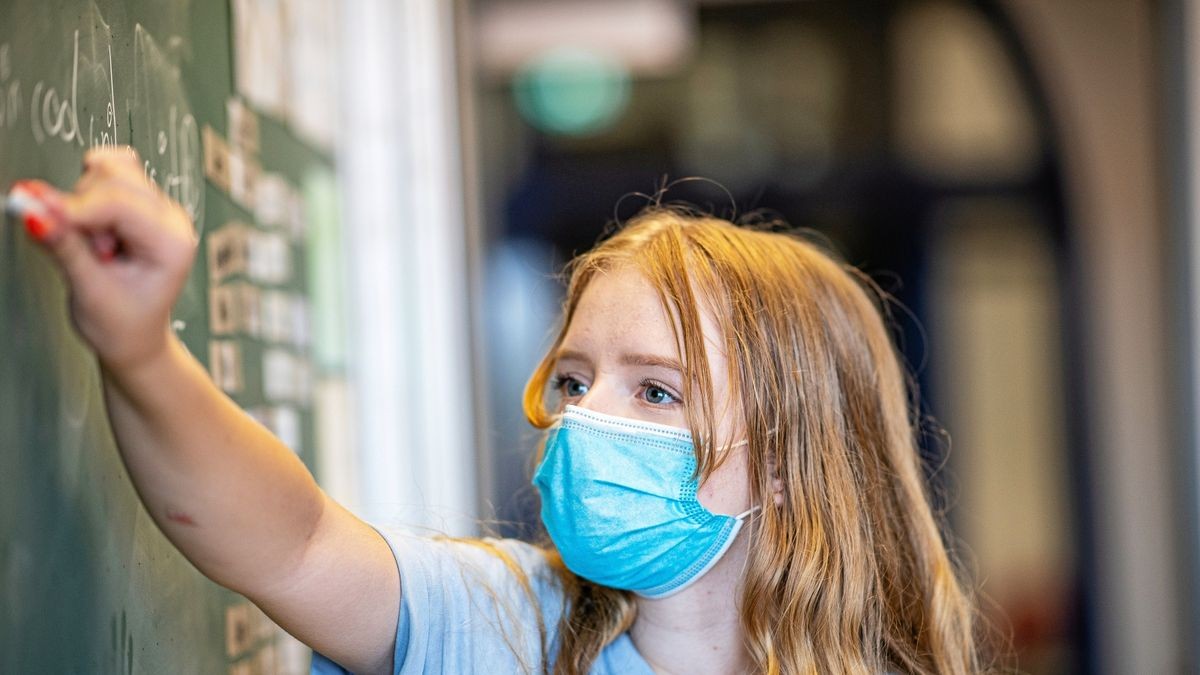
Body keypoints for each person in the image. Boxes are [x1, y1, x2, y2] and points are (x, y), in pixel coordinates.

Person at [26, 146, 988, 674]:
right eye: (573, 380)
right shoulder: (495, 625)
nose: (581, 419)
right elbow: (293, 542)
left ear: (787, 456)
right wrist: (141, 351)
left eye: (654, 391)